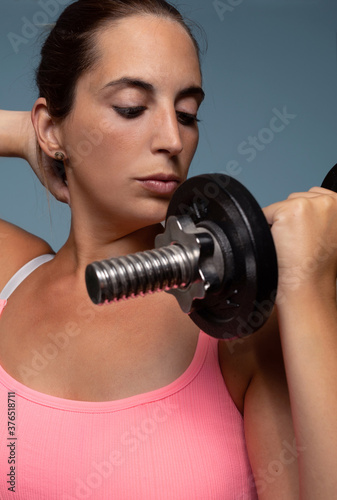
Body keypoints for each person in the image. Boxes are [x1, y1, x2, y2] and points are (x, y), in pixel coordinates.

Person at [0, 0, 337, 498]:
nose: (172, 138)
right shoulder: (10, 274)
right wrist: (25, 135)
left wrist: (309, 288)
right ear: (51, 126)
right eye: (132, 107)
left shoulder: (238, 326)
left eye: (187, 113)